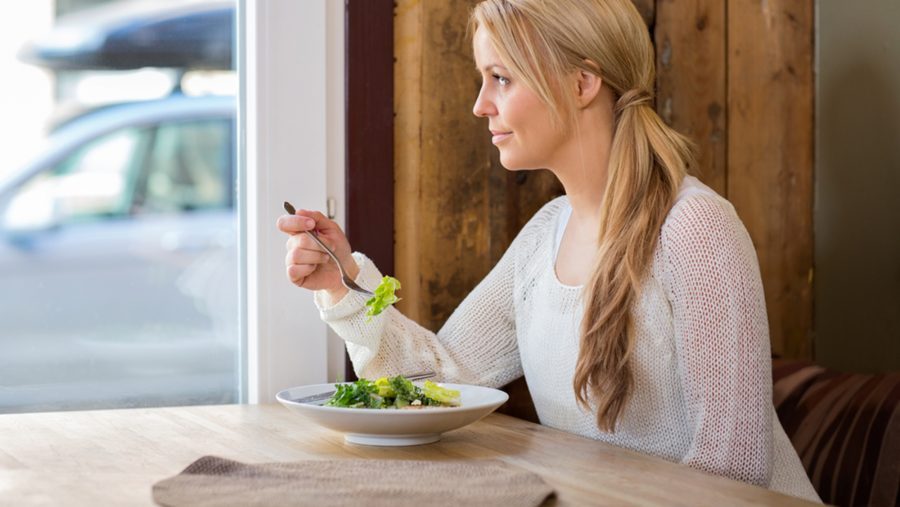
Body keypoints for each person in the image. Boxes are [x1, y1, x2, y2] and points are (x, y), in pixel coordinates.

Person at [277, 0, 821, 501]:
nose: (479, 105)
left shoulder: (696, 228)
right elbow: (438, 382)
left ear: (583, 81)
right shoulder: (545, 234)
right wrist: (344, 282)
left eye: (500, 78)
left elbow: (736, 468)